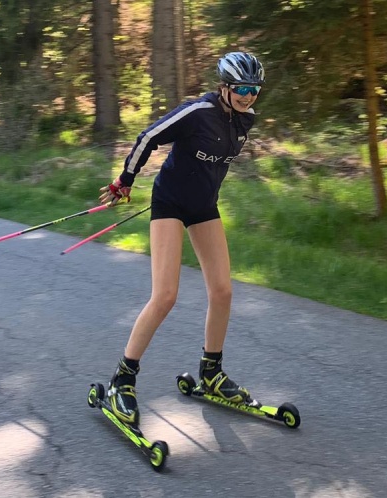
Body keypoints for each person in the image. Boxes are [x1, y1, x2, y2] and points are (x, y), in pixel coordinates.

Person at [97, 52, 265, 429]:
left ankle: (211, 373)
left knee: (223, 292)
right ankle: (121, 379)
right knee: (166, 295)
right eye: (241, 88)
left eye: (254, 89)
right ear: (224, 86)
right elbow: (149, 137)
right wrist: (126, 179)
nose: (248, 95)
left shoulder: (245, 120)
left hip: (204, 207)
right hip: (169, 204)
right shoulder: (197, 112)